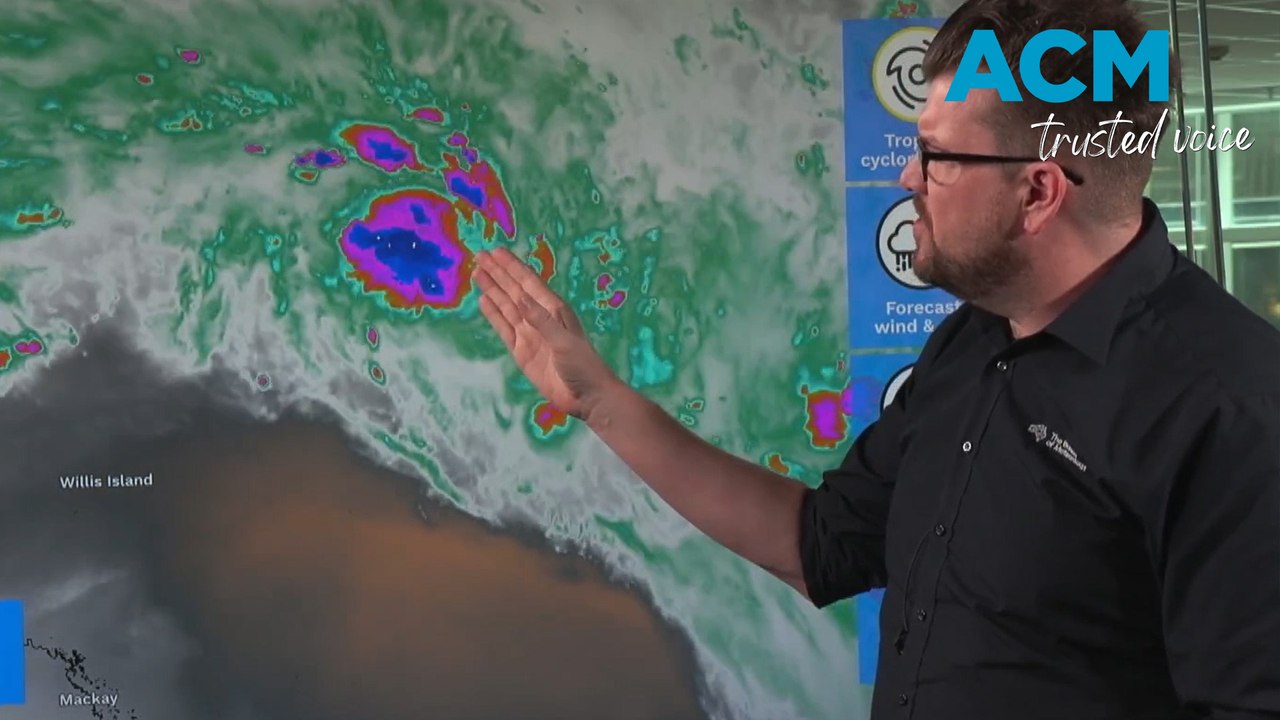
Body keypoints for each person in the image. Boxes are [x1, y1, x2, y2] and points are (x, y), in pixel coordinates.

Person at [473, 0, 1280, 717]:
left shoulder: (1227, 406)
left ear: (1038, 192)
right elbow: (819, 545)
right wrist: (600, 400)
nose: (906, 176)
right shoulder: (971, 342)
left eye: (936, 156)